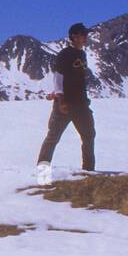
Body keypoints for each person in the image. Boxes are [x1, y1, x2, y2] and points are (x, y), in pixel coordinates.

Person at [36, 22, 95, 172]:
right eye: (82, 34)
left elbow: (75, 78)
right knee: (53, 138)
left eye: (86, 33)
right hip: (65, 104)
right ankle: (42, 173)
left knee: (89, 135)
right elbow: (58, 77)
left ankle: (88, 171)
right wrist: (60, 100)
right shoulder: (65, 54)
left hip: (81, 104)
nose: (85, 36)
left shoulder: (82, 54)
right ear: (74, 36)